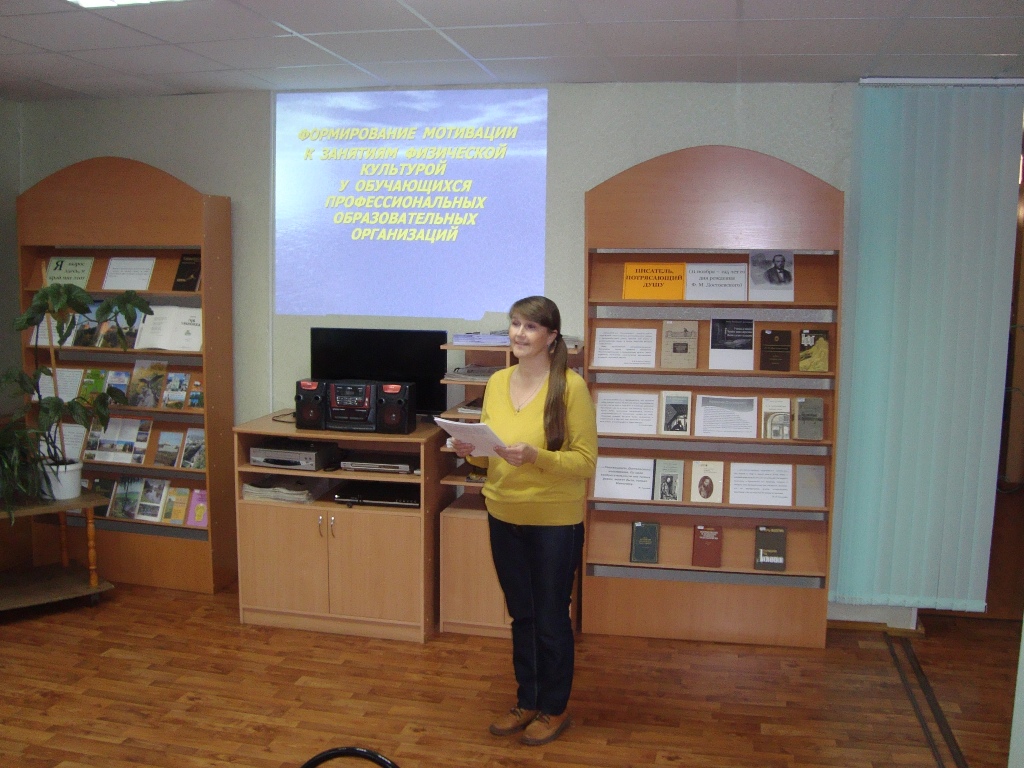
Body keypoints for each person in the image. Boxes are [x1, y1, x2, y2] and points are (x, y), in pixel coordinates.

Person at [451, 296, 597, 747]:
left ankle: (554, 708)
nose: (519, 333)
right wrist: (470, 451)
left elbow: (585, 461)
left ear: (551, 337)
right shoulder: (497, 381)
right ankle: (528, 700)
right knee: (523, 616)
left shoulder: (570, 388)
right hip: (503, 512)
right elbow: (488, 454)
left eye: (530, 326)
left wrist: (537, 457)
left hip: (554, 521)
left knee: (551, 617)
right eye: (515, 324)